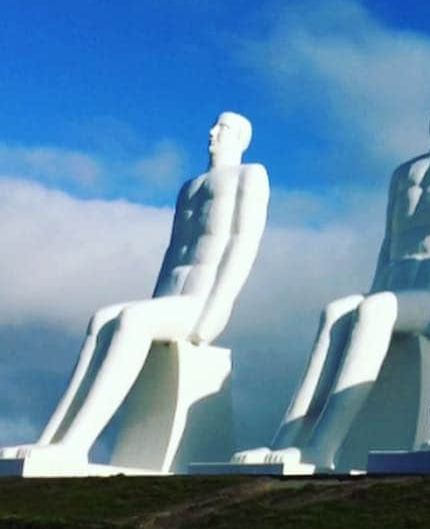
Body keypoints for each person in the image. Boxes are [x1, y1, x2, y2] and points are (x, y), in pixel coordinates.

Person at [234, 92, 430, 471]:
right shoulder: (402, 173)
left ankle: (323, 447)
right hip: (392, 284)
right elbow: (388, 243)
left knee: (375, 310)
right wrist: (373, 288)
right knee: (336, 312)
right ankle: (287, 440)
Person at [1, 112, 269, 467]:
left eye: (224, 128)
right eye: (214, 125)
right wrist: (155, 300)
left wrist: (219, 307)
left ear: (241, 139)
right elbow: (173, 250)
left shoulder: (249, 176)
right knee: (102, 320)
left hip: (201, 299)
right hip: (170, 297)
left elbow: (243, 242)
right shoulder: (189, 187)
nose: (212, 132)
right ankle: (53, 439)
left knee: (132, 320)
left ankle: (77, 444)